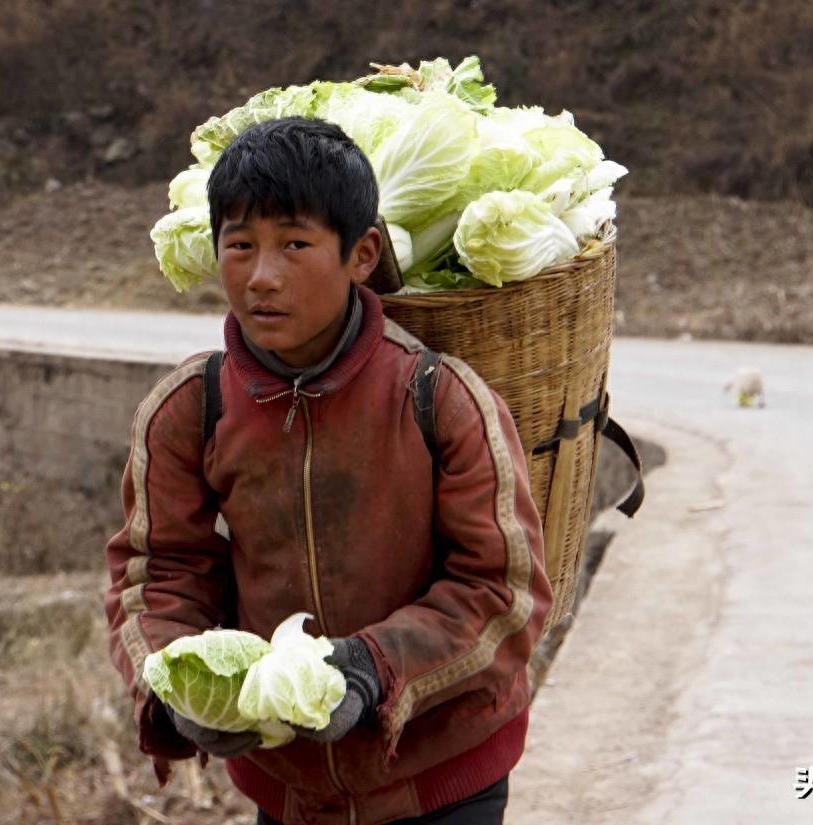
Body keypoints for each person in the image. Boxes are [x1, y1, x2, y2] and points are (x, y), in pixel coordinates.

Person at [104, 117, 552, 825]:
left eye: (295, 245)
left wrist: (372, 669)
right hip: (289, 786)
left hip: (442, 775)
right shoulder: (190, 407)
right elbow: (157, 574)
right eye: (240, 245)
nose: (261, 276)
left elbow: (503, 590)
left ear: (362, 253)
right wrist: (175, 691)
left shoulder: (442, 398)